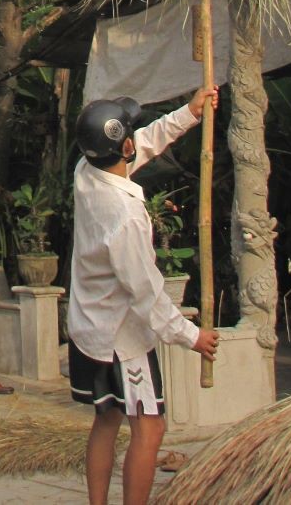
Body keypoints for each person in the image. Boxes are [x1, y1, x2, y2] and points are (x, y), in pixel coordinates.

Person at [68, 86, 220, 505]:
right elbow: (145, 291)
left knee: (107, 418)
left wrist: (188, 114)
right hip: (123, 338)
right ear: (124, 146)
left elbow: (141, 146)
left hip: (89, 326)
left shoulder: (87, 170)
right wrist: (191, 337)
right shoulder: (126, 215)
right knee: (149, 428)